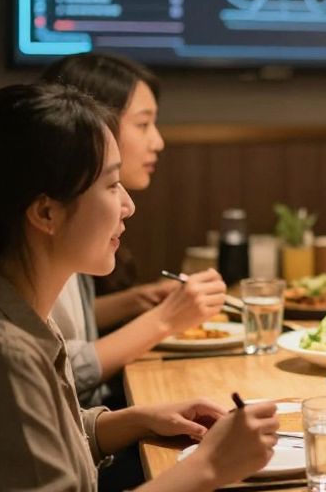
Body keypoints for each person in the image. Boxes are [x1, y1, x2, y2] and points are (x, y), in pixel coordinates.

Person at [0, 83, 277, 490]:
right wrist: (209, 467)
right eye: (112, 185)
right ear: (45, 212)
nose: (128, 205)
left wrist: (136, 418)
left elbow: (40, 444)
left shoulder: (7, 308)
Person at [40, 53, 226, 409]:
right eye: (143, 124)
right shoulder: (46, 231)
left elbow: (63, 327)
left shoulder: (68, 223)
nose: (158, 141)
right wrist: (166, 318)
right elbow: (57, 372)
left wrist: (137, 300)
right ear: (93, 124)